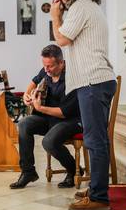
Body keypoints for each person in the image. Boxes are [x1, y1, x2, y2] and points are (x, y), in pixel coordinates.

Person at [51, 0, 116, 210]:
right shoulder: (90, 7)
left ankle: (99, 197)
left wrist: (55, 16)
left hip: (93, 82)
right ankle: (97, 188)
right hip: (97, 81)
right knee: (96, 139)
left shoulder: (80, 6)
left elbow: (61, 38)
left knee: (94, 140)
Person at [9, 45, 81, 189]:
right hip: (49, 118)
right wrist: (26, 96)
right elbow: (33, 82)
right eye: (44, 66)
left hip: (70, 120)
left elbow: (63, 112)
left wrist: (40, 108)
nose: (46, 70)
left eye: (50, 66)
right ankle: (28, 171)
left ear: (61, 63)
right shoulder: (46, 70)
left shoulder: (73, 78)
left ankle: (73, 170)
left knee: (48, 142)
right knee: (24, 124)